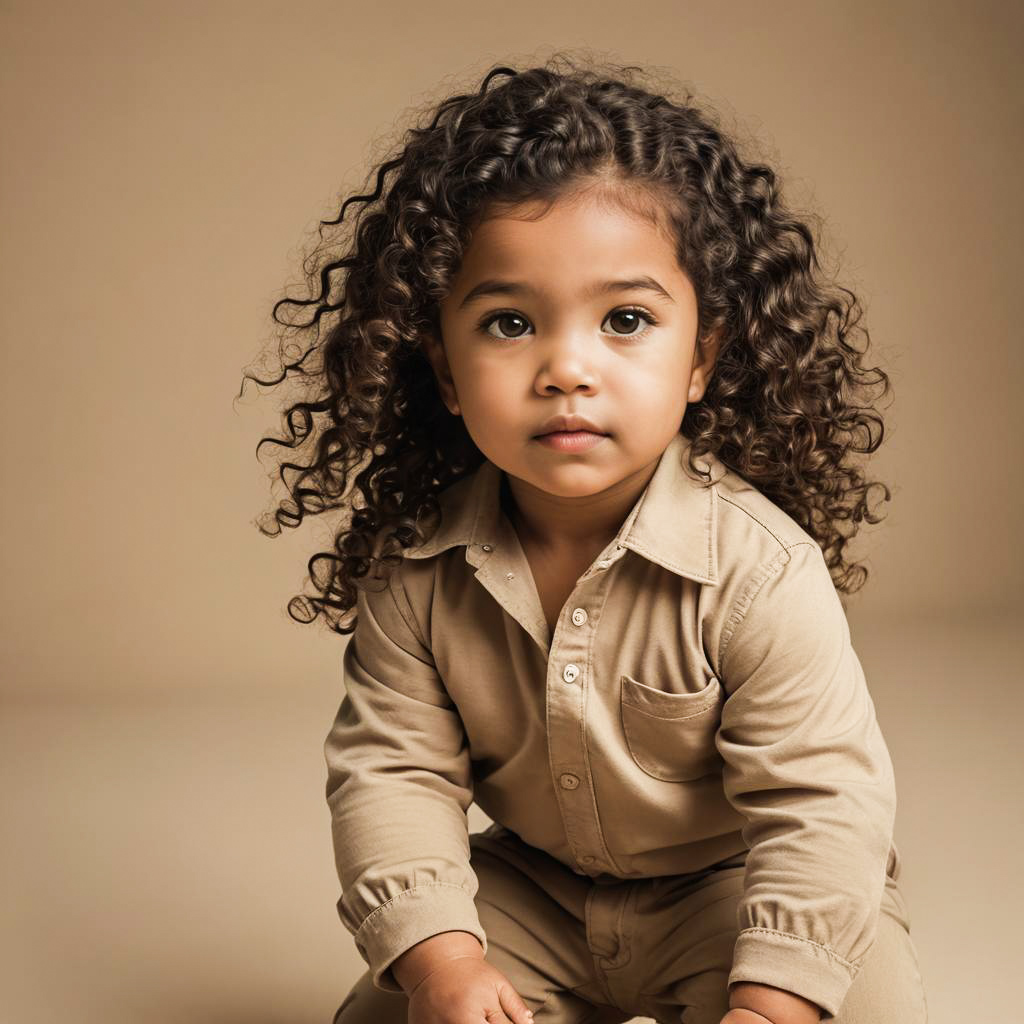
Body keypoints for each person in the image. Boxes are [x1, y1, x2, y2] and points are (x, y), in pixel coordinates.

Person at [243, 54, 929, 1024]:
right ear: (442, 369)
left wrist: (771, 1002)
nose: (567, 367)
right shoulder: (417, 570)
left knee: (867, 1009)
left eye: (625, 319)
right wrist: (442, 964)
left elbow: (823, 806)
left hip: (733, 896)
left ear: (701, 357)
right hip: (534, 895)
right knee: (381, 1017)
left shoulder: (758, 569)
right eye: (512, 321)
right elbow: (392, 775)